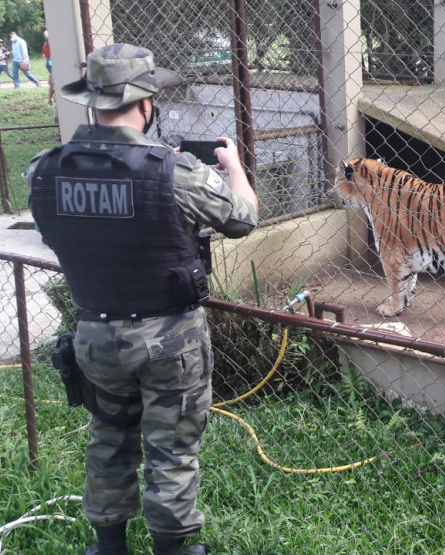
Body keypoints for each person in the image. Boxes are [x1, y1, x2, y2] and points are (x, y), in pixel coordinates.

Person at [28, 43, 258, 555]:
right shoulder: (170, 172)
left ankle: (107, 545)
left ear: (93, 100)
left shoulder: (46, 169)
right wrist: (231, 164)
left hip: (95, 335)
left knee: (108, 436)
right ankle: (175, 547)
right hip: (170, 339)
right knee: (171, 449)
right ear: (147, 102)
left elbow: (61, 232)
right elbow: (242, 217)